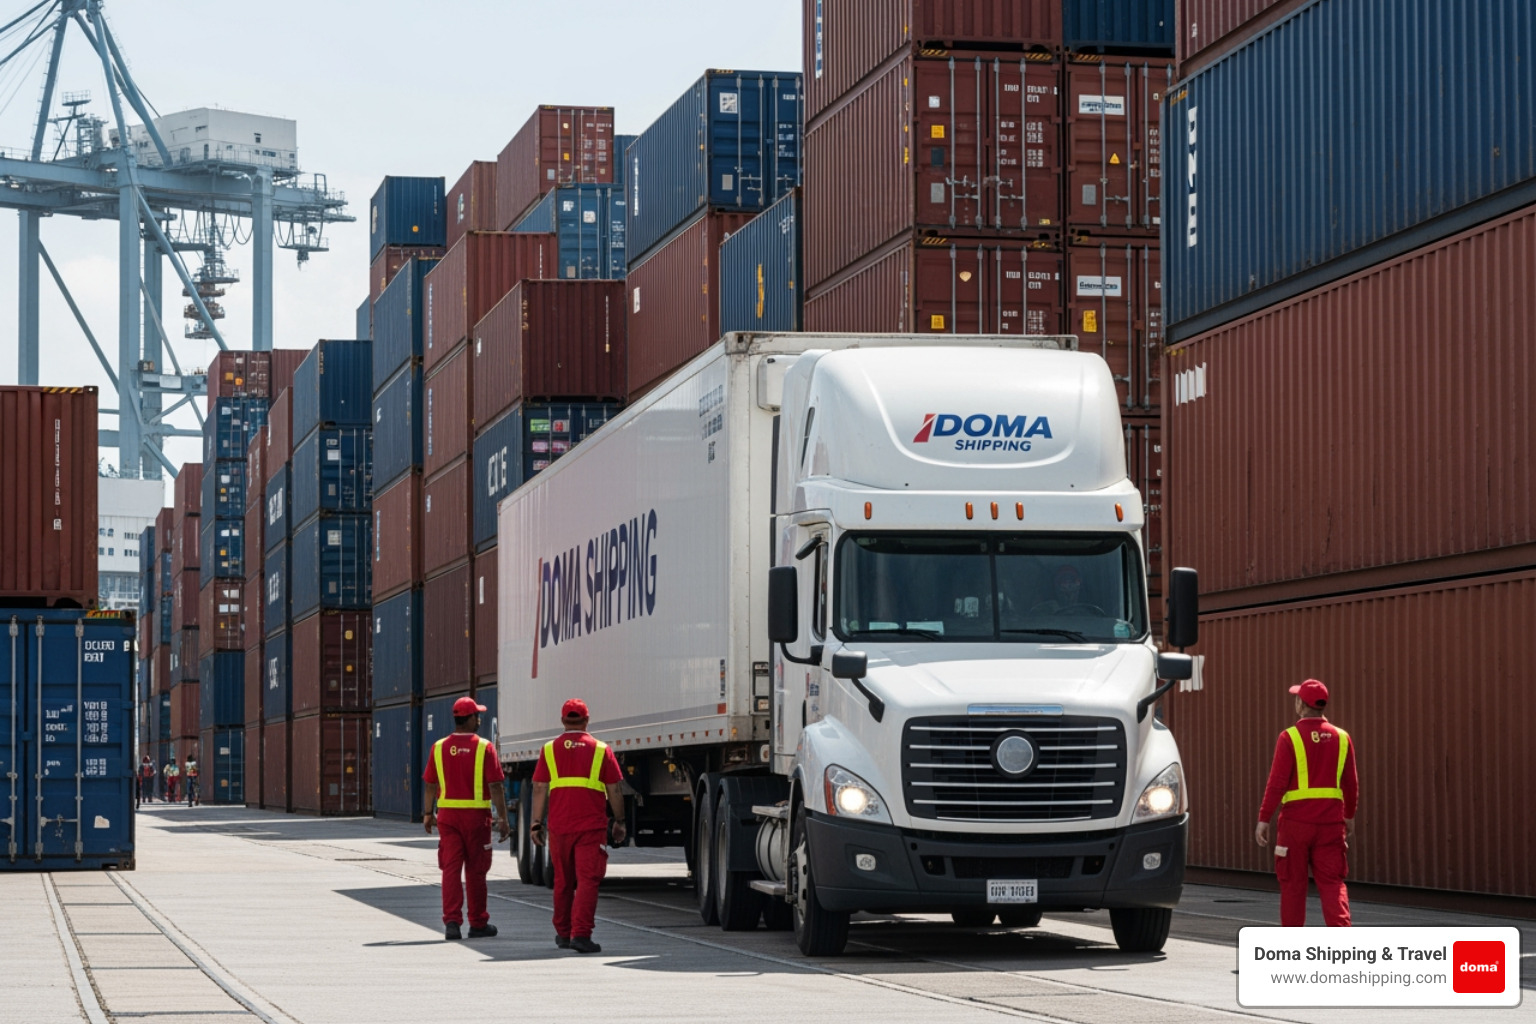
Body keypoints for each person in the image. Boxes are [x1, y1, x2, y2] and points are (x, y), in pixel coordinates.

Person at [1255, 678, 1359, 927]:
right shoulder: (1342, 737)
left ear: (1301, 704)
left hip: (1295, 825)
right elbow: (1351, 783)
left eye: (1297, 698)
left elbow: (1276, 783)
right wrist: (1350, 815)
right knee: (1333, 883)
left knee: (1293, 886)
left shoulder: (1289, 737)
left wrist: (1263, 819)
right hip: (1331, 824)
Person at [530, 699, 625, 954]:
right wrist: (620, 821)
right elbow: (614, 789)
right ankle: (580, 935)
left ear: (562, 721)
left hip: (559, 826)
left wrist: (536, 823)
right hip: (590, 828)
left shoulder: (549, 749)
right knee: (588, 880)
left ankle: (563, 933)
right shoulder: (601, 750)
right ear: (587, 720)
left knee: (562, 881)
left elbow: (539, 787)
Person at [423, 696, 511, 941]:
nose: (480, 719)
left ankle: (452, 923)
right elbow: (495, 786)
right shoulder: (484, 747)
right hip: (476, 819)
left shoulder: (438, 747)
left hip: (448, 818)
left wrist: (428, 813)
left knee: (450, 869)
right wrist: (503, 818)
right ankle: (478, 922)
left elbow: (430, 783)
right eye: (478, 715)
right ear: (471, 719)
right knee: (476, 871)